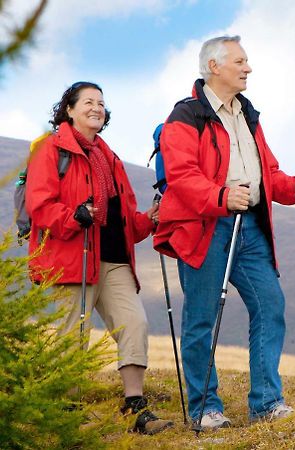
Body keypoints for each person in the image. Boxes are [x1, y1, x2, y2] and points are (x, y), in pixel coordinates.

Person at [153, 36, 295, 428]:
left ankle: (266, 401)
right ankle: (205, 408)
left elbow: (267, 173)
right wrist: (221, 197)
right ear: (214, 67)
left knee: (270, 305)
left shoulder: (248, 115)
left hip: (250, 228)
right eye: (240, 61)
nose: (248, 68)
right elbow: (180, 177)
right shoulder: (186, 116)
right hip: (204, 227)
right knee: (201, 319)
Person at [25, 81, 173, 435]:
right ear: (70, 110)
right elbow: (40, 206)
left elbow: (123, 221)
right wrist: (73, 216)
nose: (97, 108)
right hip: (71, 256)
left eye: (101, 103)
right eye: (88, 102)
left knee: (134, 323)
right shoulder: (50, 150)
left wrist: (149, 219)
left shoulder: (109, 156)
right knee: (71, 335)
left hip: (112, 258)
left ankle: (134, 406)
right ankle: (66, 412)